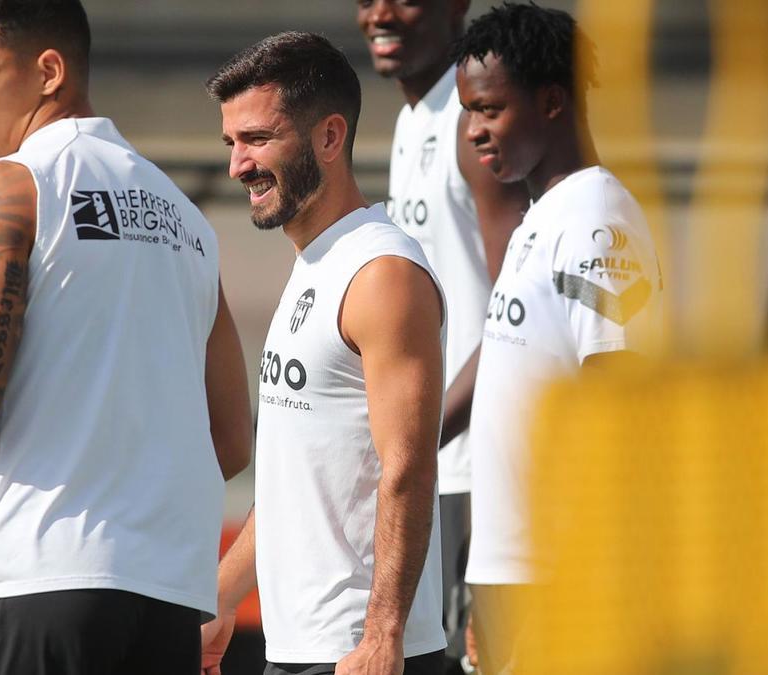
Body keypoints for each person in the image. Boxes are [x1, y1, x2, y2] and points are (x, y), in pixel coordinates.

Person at [0, 1, 253, 673]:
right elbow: (231, 439)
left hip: (34, 581)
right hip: (168, 601)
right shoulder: (185, 218)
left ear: (49, 71)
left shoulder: (10, 187)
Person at [201, 31, 448, 675]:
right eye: (231, 143)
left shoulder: (381, 272)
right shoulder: (317, 262)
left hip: (360, 655)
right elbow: (296, 476)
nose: (237, 165)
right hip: (300, 649)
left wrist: (383, 637)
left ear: (329, 137)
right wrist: (221, 597)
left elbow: (411, 469)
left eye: (257, 139)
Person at [451, 3, 665, 672]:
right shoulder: (543, 218)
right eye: (467, 112)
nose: (474, 131)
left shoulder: (598, 220)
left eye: (489, 109)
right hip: (508, 566)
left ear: (550, 101)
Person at [354, 2, 530, 670]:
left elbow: (517, 319)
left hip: (477, 469)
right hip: (437, 465)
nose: (380, 13)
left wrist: (416, 439)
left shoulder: (471, 121)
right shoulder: (413, 119)